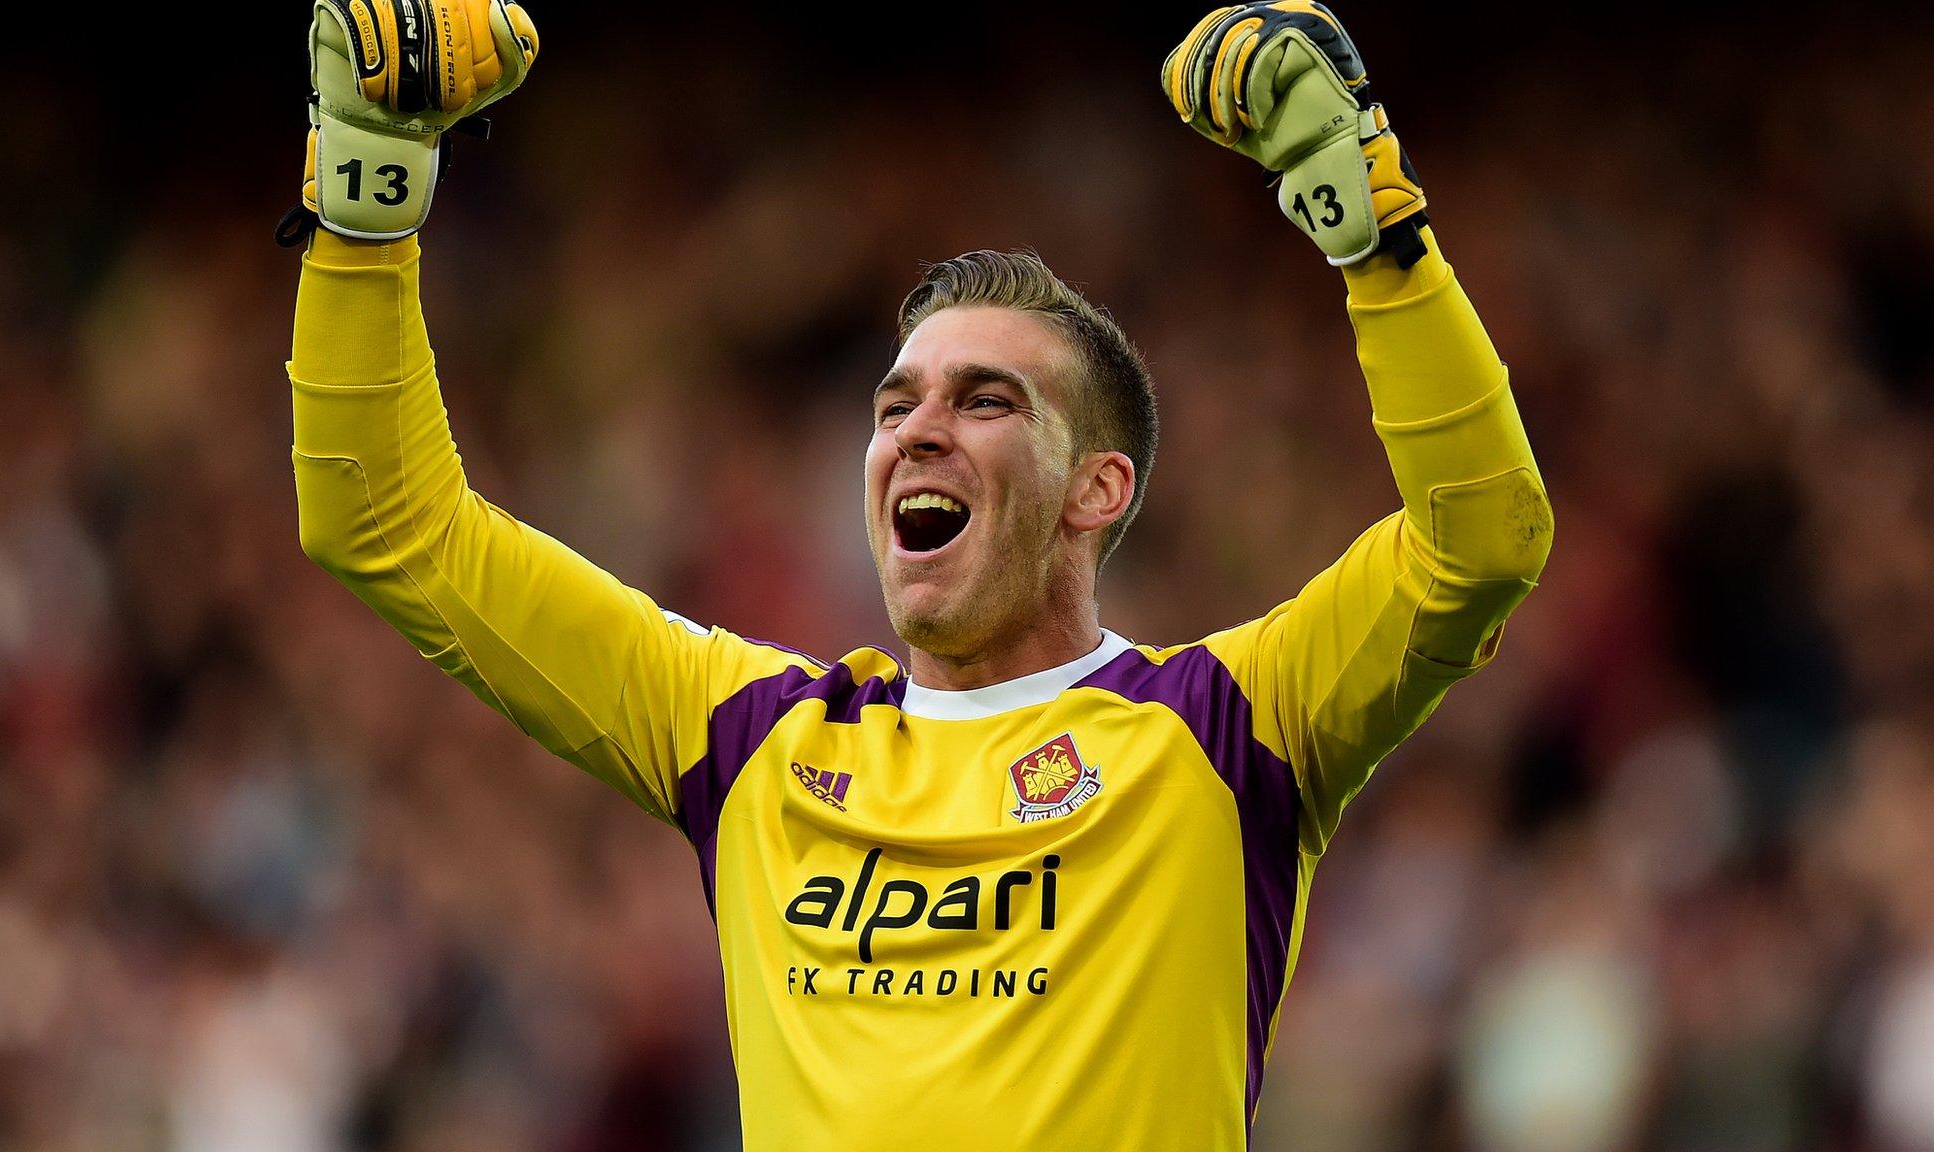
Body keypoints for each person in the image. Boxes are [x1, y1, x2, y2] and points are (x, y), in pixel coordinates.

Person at [283, 1, 1553, 1147]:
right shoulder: (749, 744)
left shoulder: (1226, 727)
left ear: (1096, 491)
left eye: (985, 400)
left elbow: (1481, 540)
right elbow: (383, 523)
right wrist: (365, 208)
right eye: (894, 406)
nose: (915, 430)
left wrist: (1369, 225)